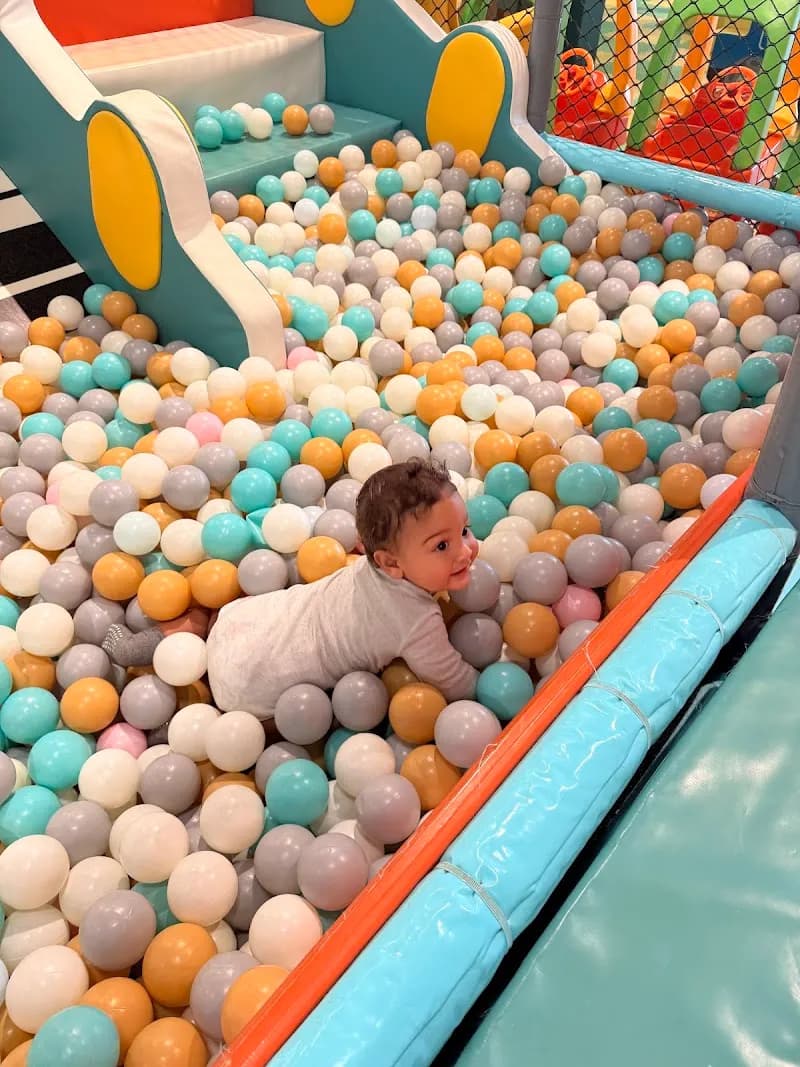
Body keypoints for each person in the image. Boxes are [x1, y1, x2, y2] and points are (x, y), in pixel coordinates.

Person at [103, 459, 480, 717]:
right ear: (391, 563)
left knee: (204, 614)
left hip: (242, 623)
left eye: (464, 530)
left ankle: (144, 648)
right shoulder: (417, 622)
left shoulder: (375, 564)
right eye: (442, 546)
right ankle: (179, 708)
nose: (466, 550)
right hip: (249, 698)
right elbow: (453, 679)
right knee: (312, 717)